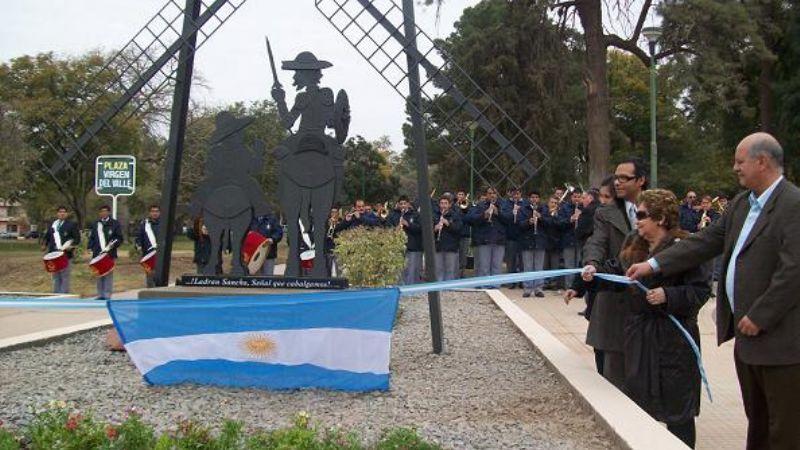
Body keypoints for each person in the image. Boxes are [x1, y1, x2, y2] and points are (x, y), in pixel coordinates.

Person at [627, 133, 800, 449]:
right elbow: (703, 243)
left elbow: (793, 272)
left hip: (781, 341)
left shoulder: (793, 204)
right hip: (748, 338)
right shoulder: (741, 205)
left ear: (762, 161)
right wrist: (653, 265)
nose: (735, 168)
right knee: (758, 423)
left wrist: (761, 314)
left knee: (785, 428)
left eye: (739, 161)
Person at [584, 189, 709, 448]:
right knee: (639, 405)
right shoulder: (634, 246)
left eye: (642, 215)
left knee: (678, 409)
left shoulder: (685, 248)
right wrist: (593, 273)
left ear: (661, 218)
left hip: (674, 341)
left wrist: (668, 295)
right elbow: (618, 274)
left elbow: (700, 291)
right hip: (639, 339)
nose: (637, 220)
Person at [581, 158, 647, 389]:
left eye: (624, 178)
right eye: (616, 177)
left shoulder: (656, 209)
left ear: (640, 181)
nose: (617, 182)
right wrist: (591, 263)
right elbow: (596, 243)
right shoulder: (605, 213)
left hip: (647, 302)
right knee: (612, 376)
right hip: (613, 300)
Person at [465, 186, 512, 282]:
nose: (492, 195)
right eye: (490, 193)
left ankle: (495, 285)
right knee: (484, 266)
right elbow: (469, 218)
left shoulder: (503, 205)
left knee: (496, 265)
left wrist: (498, 213)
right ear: (486, 195)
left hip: (499, 240)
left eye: (494, 193)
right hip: (484, 240)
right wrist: (483, 215)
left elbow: (509, 219)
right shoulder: (480, 205)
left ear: (497, 195)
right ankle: (484, 285)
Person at [87, 205, 123, 300]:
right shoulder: (96, 224)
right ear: (99, 213)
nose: (103, 213)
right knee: (99, 274)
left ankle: (107, 294)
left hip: (109, 254)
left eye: (105, 211)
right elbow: (92, 238)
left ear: (109, 212)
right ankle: (100, 294)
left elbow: (119, 238)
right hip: (97, 253)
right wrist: (90, 247)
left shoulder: (114, 224)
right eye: (102, 211)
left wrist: (113, 245)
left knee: (108, 274)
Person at [42, 206, 81, 294]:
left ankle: (63, 295)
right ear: (57, 214)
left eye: (64, 212)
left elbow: (77, 238)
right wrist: (44, 245)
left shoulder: (71, 224)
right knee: (55, 276)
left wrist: (71, 246)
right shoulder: (53, 224)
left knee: (64, 275)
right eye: (60, 212)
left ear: (66, 214)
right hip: (53, 254)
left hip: (65, 254)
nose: (62, 213)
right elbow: (47, 237)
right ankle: (56, 293)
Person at [517, 191, 544, 297]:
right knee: (527, 266)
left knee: (539, 267)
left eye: (536, 197)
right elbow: (519, 224)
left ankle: (538, 289)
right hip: (527, 241)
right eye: (532, 197)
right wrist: (529, 222)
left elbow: (550, 223)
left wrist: (541, 217)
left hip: (540, 241)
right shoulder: (523, 209)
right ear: (529, 199)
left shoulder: (543, 209)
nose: (534, 199)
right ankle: (527, 288)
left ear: (539, 199)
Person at [390, 196, 422, 285]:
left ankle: (412, 289)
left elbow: (420, 229)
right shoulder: (394, 215)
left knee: (412, 270)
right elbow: (388, 228)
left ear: (408, 204)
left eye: (405, 204)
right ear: (398, 204)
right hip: (399, 246)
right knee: (400, 270)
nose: (403, 206)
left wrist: (408, 224)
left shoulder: (415, 214)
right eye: (401, 204)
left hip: (412, 246)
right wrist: (395, 229)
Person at [433, 195, 462, 281]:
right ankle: (439, 287)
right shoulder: (435, 215)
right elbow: (428, 230)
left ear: (449, 205)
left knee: (450, 270)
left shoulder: (455, 215)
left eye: (445, 203)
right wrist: (435, 228)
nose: (443, 205)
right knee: (438, 269)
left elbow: (458, 228)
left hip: (451, 247)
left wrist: (448, 223)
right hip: (438, 246)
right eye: (441, 203)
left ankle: (449, 289)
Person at [135, 204, 160, 288]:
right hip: (148, 254)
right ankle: (151, 294)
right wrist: (138, 246)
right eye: (153, 211)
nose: (155, 213)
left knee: (160, 275)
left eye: (156, 211)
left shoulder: (164, 223)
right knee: (150, 276)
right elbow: (139, 237)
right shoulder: (144, 224)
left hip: (160, 254)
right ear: (149, 213)